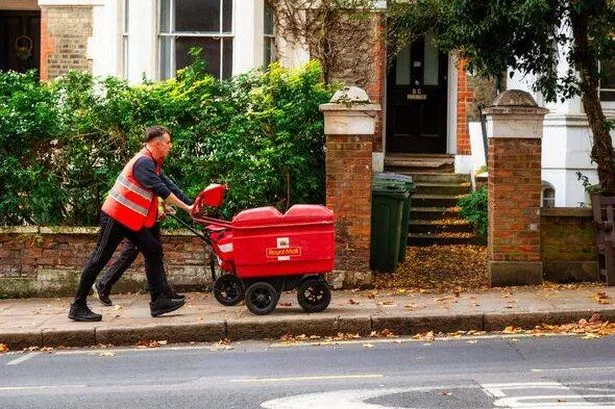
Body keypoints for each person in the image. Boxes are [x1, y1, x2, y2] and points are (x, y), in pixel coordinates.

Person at [69, 126, 194, 321]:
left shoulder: (152, 162)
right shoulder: (143, 162)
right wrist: (187, 209)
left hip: (130, 218)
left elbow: (168, 184)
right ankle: (77, 306)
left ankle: (158, 301)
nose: (170, 146)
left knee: (153, 249)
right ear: (157, 144)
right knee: (99, 258)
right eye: (168, 143)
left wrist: (191, 204)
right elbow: (161, 189)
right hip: (115, 216)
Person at [92, 197, 188, 307]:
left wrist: (162, 207)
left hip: (149, 217)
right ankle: (103, 285)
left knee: (156, 253)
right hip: (140, 217)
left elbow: (156, 193)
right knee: (131, 252)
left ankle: (164, 290)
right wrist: (160, 209)